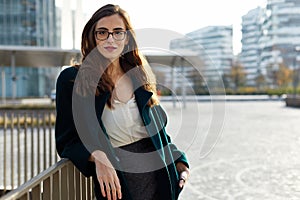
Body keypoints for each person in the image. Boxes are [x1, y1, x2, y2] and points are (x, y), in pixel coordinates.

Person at [55, 4, 189, 200]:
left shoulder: (138, 75)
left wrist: (181, 163)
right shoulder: (73, 80)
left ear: (127, 38)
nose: (110, 39)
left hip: (162, 182)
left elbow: (161, 135)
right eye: (102, 32)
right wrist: (98, 156)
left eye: (118, 32)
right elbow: (66, 142)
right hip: (119, 186)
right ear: (93, 36)